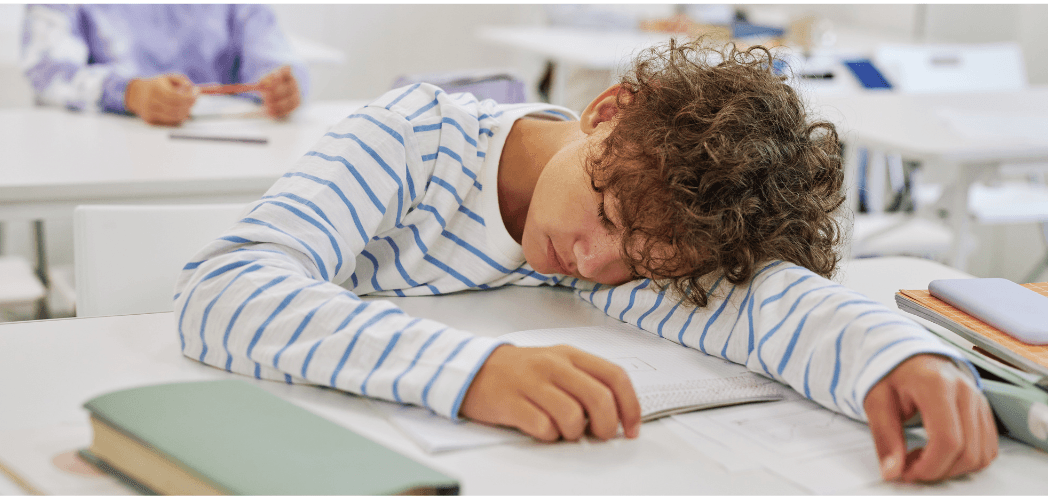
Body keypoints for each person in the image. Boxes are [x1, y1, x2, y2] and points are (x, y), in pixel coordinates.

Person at [174, 39, 997, 483]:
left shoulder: (625, 243)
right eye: (606, 214)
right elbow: (227, 289)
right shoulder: (409, 141)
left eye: (640, 264)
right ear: (607, 112)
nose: (595, 263)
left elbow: (749, 303)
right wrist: (477, 372)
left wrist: (890, 351)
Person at [20, 4, 308, 125]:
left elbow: (272, 55)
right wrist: (129, 93)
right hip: (113, 165)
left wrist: (282, 87)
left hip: (225, 166)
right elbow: (47, 68)